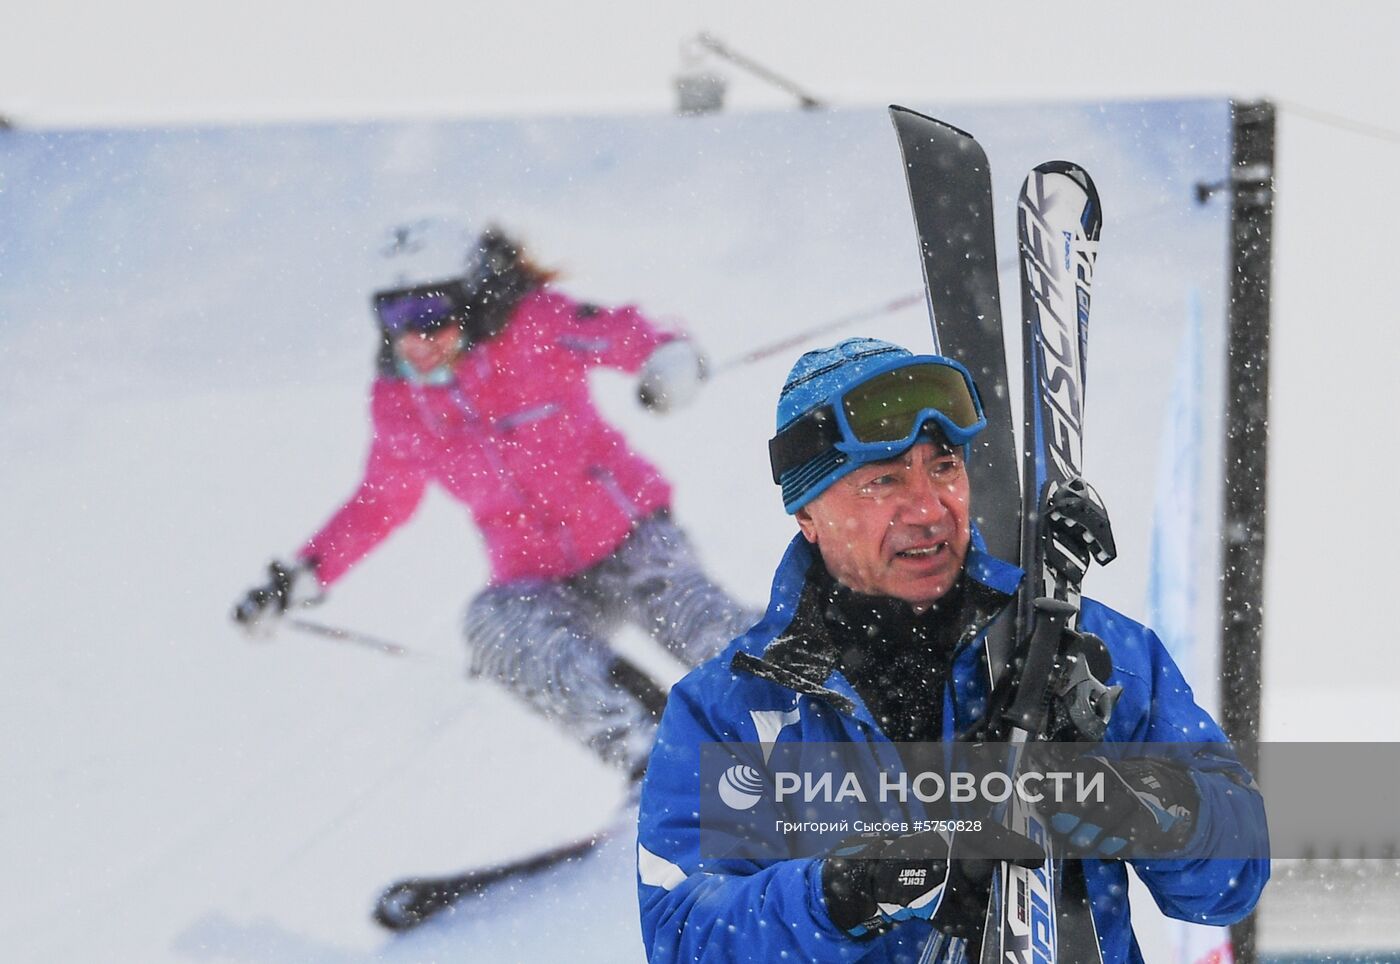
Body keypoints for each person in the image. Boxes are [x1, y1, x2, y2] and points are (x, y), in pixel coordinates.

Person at [636, 337, 1269, 962]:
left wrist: (1132, 803)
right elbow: (683, 935)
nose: (929, 508)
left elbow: (1235, 878)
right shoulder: (734, 709)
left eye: (944, 467)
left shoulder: (1083, 647)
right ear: (807, 514)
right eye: (883, 480)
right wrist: (851, 891)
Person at [233, 226, 756, 778]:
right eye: (393, 317)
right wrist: (300, 577)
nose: (414, 335)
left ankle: (815, 707)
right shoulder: (401, 404)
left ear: (471, 296)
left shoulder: (535, 327)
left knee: (695, 624)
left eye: (429, 312)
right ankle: (659, 766)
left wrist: (670, 357)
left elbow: (627, 332)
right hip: (538, 576)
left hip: (629, 536)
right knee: (495, 624)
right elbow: (379, 503)